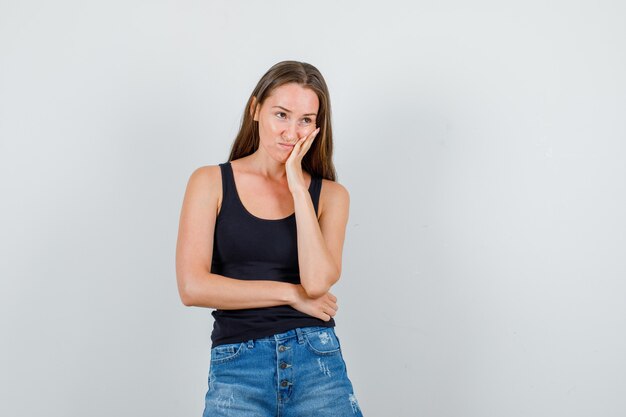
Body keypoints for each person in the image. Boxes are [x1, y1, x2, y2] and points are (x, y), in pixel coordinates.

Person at [175, 60, 364, 416]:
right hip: (238, 366)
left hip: (317, 361)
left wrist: (295, 182)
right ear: (255, 109)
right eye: (281, 114)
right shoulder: (210, 182)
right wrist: (289, 294)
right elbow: (192, 287)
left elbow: (317, 282)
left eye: (305, 120)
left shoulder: (331, 196)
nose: (291, 133)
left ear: (317, 128)